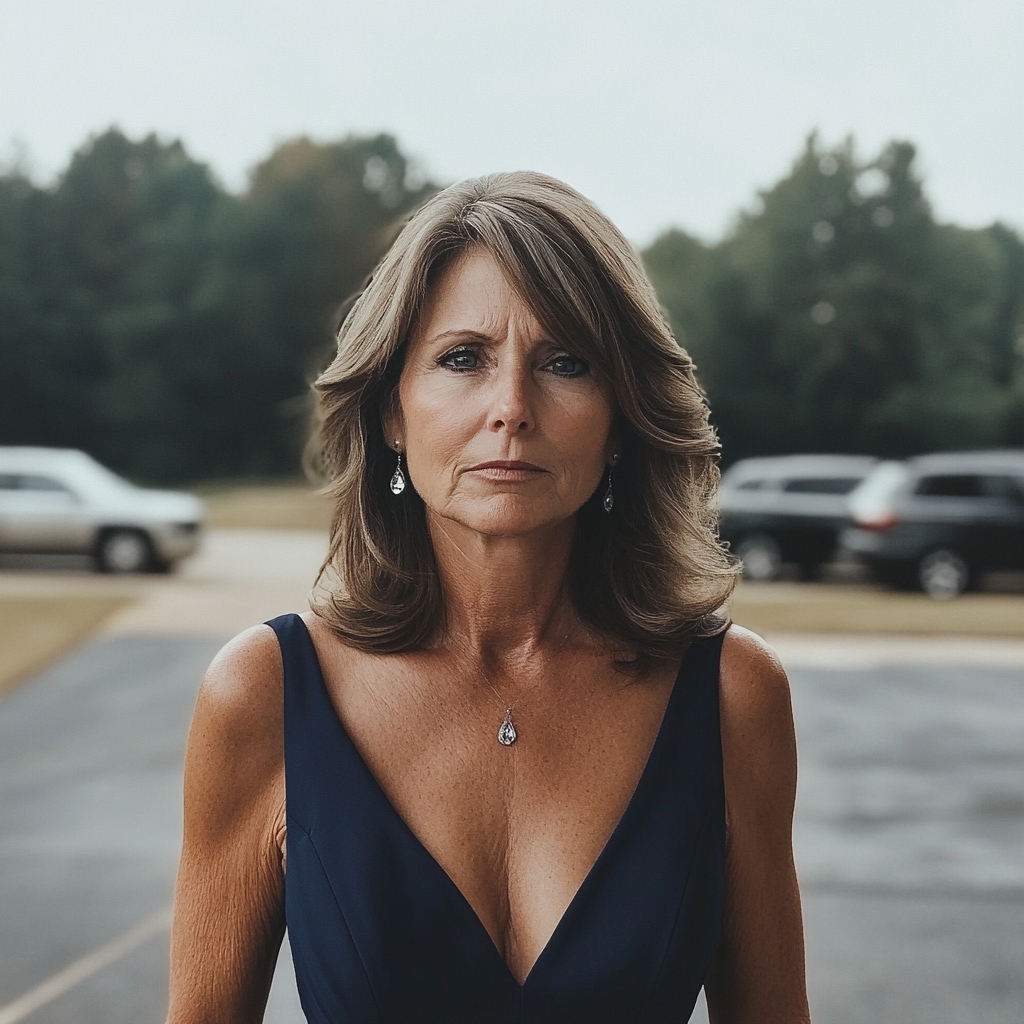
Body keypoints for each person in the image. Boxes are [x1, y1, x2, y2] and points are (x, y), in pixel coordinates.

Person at [166, 172, 810, 1024]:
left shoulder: (731, 696)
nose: (511, 407)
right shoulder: (263, 696)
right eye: (463, 358)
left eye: (566, 363)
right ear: (392, 410)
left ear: (620, 415)